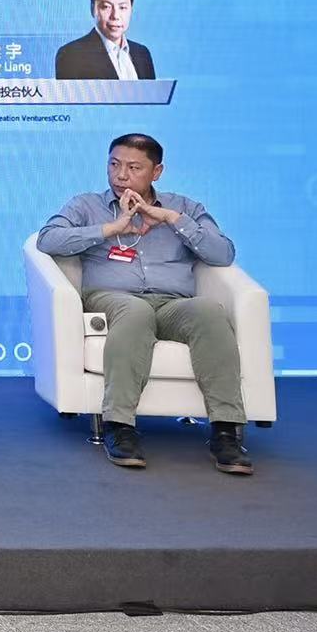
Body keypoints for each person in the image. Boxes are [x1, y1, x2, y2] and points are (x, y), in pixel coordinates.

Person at [36, 133, 250, 475]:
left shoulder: (185, 207)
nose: (121, 175)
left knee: (209, 312)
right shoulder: (86, 205)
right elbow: (47, 240)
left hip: (172, 302)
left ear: (157, 172)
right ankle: (120, 426)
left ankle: (226, 431)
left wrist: (172, 220)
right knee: (135, 313)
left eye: (134, 168)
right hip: (112, 298)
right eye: (114, 164)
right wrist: (110, 228)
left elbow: (222, 253)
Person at [53, 0, 155, 80]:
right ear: (93, 9)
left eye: (122, 7)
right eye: (106, 7)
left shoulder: (142, 53)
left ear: (131, 10)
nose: (115, 16)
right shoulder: (71, 54)